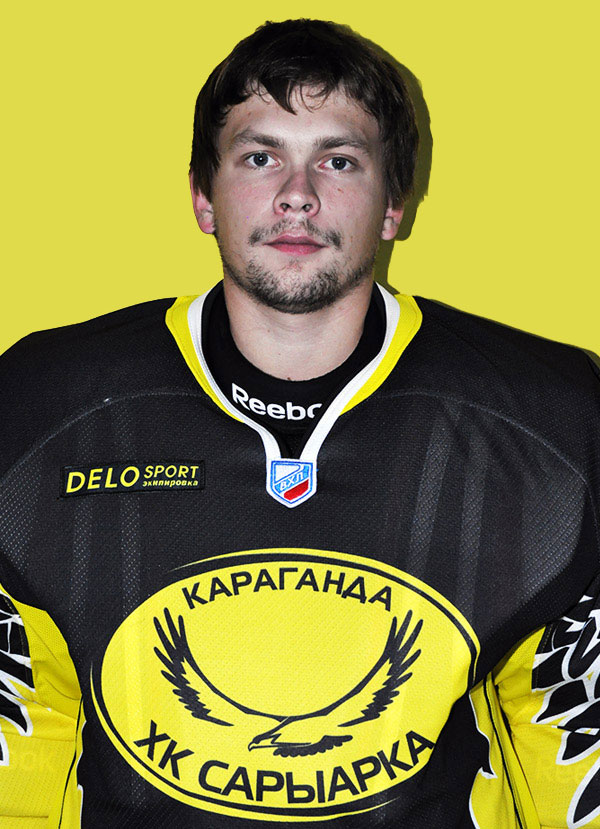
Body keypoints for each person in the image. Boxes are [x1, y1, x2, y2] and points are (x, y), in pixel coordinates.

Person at [0, 18, 599, 829]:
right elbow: (24, 731)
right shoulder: (40, 406)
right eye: (260, 156)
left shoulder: (553, 420)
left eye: (338, 160)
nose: (297, 193)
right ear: (202, 197)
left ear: (393, 206)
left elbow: (568, 741)